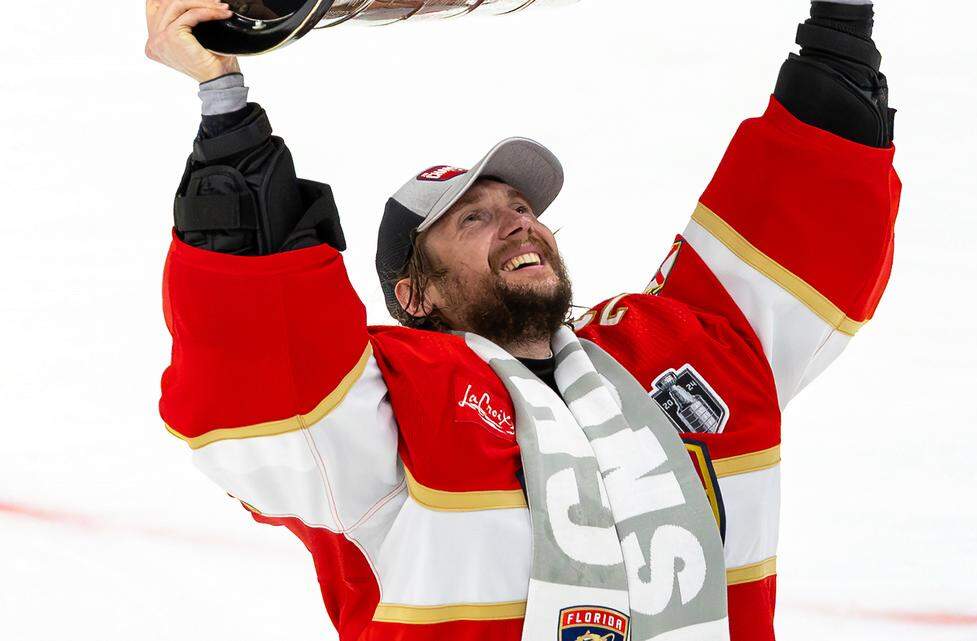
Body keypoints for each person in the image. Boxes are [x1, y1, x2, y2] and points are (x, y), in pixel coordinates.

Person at [146, 1, 901, 640]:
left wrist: (841, 21)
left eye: (521, 207)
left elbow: (805, 214)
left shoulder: (680, 351)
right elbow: (263, 373)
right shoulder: (392, 417)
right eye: (472, 218)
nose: (517, 223)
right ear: (415, 295)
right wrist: (224, 103)